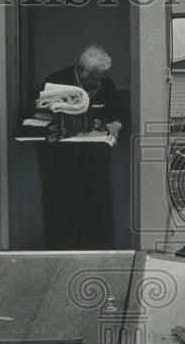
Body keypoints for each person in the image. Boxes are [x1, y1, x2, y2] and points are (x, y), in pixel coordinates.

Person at [37, 45, 126, 249]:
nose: (97, 83)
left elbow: (120, 109)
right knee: (60, 208)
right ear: (81, 69)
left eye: (101, 78)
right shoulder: (55, 82)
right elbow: (39, 114)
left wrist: (117, 123)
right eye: (93, 77)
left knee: (95, 206)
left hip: (92, 156)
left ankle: (95, 248)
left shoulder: (106, 85)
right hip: (59, 158)